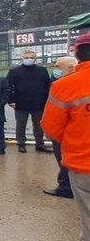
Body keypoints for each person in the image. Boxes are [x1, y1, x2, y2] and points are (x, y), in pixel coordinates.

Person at [41, 32, 90, 241]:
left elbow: (51, 127)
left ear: (77, 54)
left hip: (84, 163)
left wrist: (73, 140)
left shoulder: (67, 86)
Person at [43, 56, 79, 199]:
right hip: (72, 131)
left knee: (64, 160)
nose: (55, 69)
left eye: (58, 66)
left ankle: (65, 188)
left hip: (65, 132)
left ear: (71, 68)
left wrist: (52, 133)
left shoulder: (64, 85)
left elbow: (55, 114)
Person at [7, 50, 53, 153]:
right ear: (22, 59)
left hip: (39, 103)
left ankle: (40, 144)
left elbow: (47, 86)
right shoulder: (14, 71)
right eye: (26, 58)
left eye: (31, 57)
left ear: (35, 59)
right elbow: (8, 87)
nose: (29, 59)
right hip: (20, 103)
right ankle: (21, 144)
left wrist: (47, 101)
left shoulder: (42, 70)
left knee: (39, 125)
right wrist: (11, 101)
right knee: (21, 125)